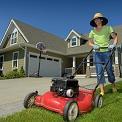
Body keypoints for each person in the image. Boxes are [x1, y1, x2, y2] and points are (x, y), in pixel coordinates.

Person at [88, 13, 118, 96]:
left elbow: (115, 37)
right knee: (99, 72)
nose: (96, 20)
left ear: (101, 19)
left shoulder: (108, 28)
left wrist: (113, 45)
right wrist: (94, 45)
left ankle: (113, 85)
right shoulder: (92, 31)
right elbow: (89, 42)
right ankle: (102, 91)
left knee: (109, 70)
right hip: (97, 53)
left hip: (106, 52)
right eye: (95, 19)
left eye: (98, 19)